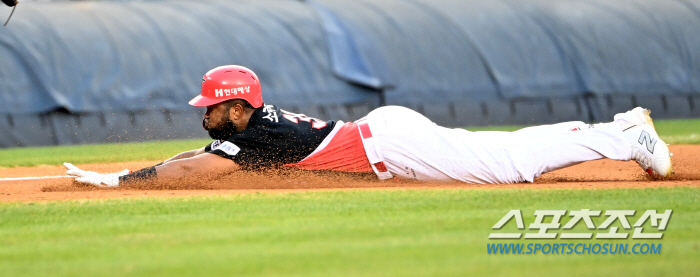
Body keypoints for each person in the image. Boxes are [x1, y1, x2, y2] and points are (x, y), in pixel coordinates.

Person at [64, 65, 673, 187]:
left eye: (211, 105)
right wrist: (127, 173)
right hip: (385, 133)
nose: (204, 110)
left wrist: (123, 180)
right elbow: (199, 154)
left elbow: (193, 169)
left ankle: (623, 137)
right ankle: (618, 128)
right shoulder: (254, 128)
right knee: (503, 149)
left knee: (507, 168)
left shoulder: (253, 135)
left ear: (236, 105)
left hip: (389, 142)